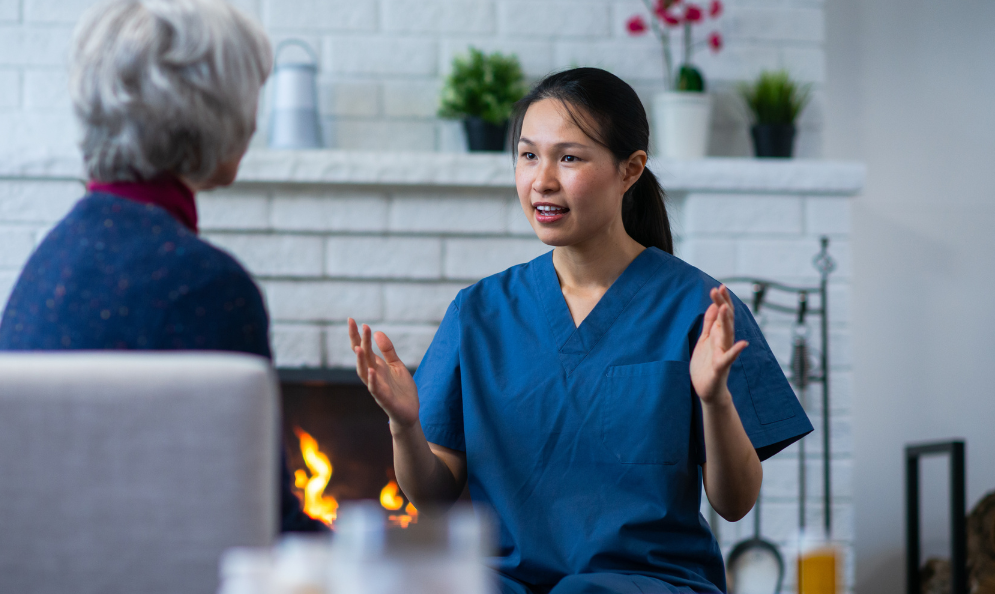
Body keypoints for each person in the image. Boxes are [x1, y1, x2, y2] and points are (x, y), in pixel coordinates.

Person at [348, 68, 812, 593]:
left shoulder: (699, 311)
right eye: (528, 155)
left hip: (646, 582)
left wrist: (714, 401)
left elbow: (734, 504)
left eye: (568, 157)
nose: (542, 179)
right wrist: (405, 425)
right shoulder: (478, 312)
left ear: (630, 170)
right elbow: (433, 498)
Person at [0, 0, 324, 533]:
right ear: (207, 112)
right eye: (249, 98)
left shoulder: (46, 262)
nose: (253, 123)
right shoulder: (202, 285)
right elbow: (259, 521)